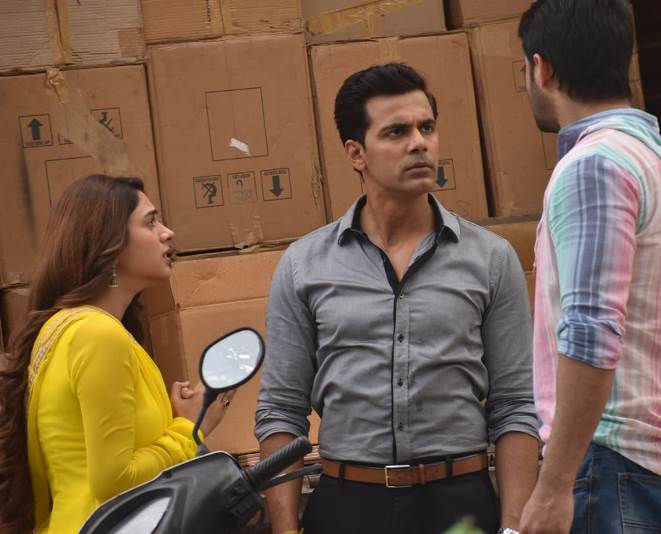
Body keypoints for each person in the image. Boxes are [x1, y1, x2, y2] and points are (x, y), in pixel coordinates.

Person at [255, 63, 540, 534]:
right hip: (349, 505)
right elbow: (282, 411)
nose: (419, 143)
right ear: (356, 153)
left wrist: (512, 529)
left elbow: (515, 405)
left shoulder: (490, 259)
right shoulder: (304, 265)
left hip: (459, 503)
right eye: (396, 132)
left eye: (427, 127)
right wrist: (286, 531)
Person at [515, 1, 661, 533]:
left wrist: (553, 485)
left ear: (541, 68)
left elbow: (590, 330)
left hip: (612, 471)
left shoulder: (594, 166)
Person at [0, 175, 231, 533]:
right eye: (150, 222)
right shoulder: (98, 335)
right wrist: (189, 428)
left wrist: (170, 419)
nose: (167, 232)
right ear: (110, 244)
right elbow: (116, 480)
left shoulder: (64, 327)